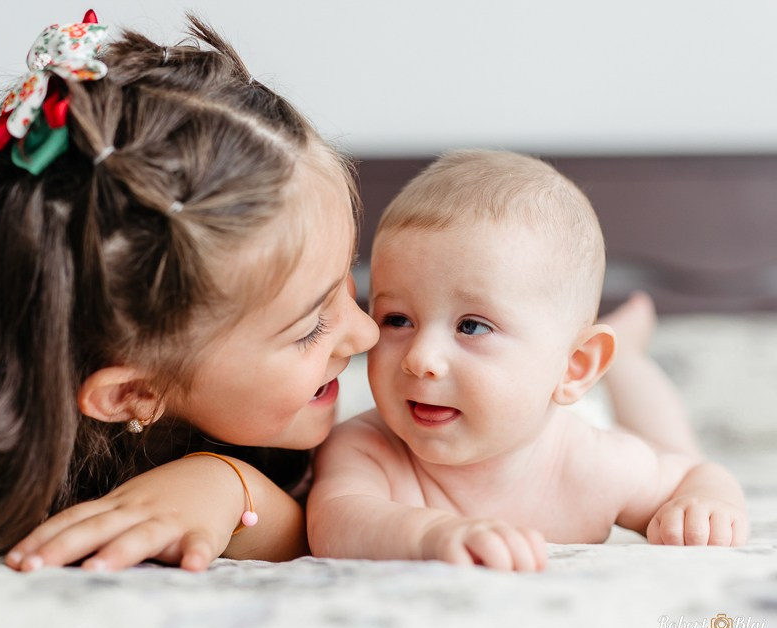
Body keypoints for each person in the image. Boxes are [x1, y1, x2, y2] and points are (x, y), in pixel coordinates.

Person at [0, 11, 378, 572]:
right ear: (133, 393)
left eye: (347, 283)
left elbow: (359, 524)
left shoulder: (362, 434)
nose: (367, 331)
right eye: (309, 327)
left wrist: (229, 486)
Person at [307, 150, 749, 571]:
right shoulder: (366, 448)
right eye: (397, 319)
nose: (420, 359)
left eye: (471, 326)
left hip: (575, 415)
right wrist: (431, 536)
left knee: (670, 443)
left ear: (575, 366)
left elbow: (694, 473)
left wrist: (708, 502)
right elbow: (335, 522)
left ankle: (628, 356)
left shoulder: (595, 464)